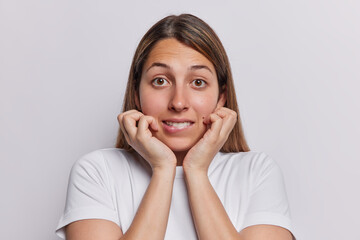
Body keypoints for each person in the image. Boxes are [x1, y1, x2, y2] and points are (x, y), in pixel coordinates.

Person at [56, 14, 295, 240]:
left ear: (221, 97)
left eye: (198, 82)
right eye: (160, 81)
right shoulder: (97, 172)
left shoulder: (257, 172)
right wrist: (162, 169)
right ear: (137, 94)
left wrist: (197, 171)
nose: (178, 102)